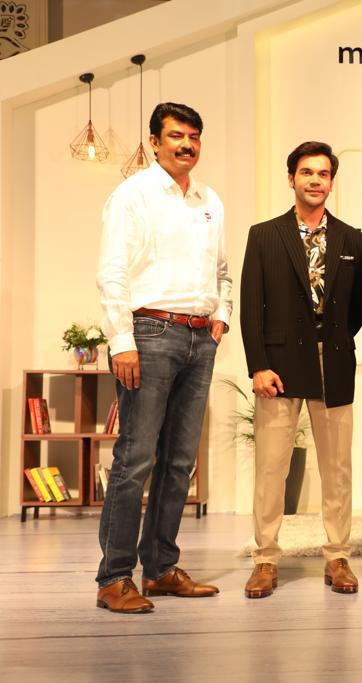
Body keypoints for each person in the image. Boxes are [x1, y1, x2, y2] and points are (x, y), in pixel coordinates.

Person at [95, 102, 231, 613]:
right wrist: (121, 340)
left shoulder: (209, 200)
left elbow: (223, 271)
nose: (186, 145)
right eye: (175, 136)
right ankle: (114, 578)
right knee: (136, 459)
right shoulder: (132, 195)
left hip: (199, 337)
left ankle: (159, 569)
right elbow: (112, 271)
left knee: (179, 462)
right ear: (154, 142)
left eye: (193, 136)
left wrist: (221, 317)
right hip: (149, 333)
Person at [239, 141, 362, 599]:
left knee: (338, 468)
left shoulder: (353, 239)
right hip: (279, 365)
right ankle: (266, 559)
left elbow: (358, 308)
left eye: (323, 173)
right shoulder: (264, 235)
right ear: (291, 177)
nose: (315, 180)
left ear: (332, 181)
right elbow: (251, 307)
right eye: (307, 172)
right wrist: (259, 365)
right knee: (271, 468)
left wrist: (333, 339)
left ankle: (338, 556)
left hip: (334, 361)